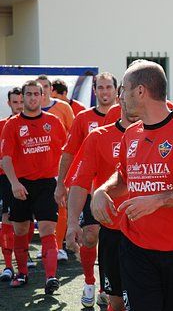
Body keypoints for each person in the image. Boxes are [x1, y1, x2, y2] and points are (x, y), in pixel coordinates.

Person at [92, 60, 173, 310]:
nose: (120, 97)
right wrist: (102, 190)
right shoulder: (132, 134)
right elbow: (125, 177)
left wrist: (159, 200)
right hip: (136, 247)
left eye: (124, 90)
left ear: (140, 91)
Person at [69, 93, 138, 311]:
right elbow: (80, 183)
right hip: (113, 229)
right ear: (121, 98)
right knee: (116, 301)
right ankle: (90, 282)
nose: (136, 99)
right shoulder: (98, 137)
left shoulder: (164, 133)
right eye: (130, 93)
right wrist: (72, 223)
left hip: (151, 233)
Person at [0, 80, 66, 294]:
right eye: (28, 94)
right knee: (20, 230)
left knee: (48, 229)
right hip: (21, 185)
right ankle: (22, 274)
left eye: (36, 94)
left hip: (47, 184)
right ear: (24, 97)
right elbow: (6, 158)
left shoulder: (54, 122)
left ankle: (51, 277)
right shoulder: (12, 125)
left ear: (42, 96)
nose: (32, 98)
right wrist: (14, 183)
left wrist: (63, 183)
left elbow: (66, 153)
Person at [58, 72, 117, 308]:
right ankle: (91, 282)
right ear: (95, 91)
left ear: (116, 90)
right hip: (89, 191)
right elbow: (69, 152)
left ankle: (107, 287)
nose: (104, 92)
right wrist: (61, 183)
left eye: (108, 87)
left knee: (114, 242)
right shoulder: (83, 119)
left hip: (119, 192)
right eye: (100, 88)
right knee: (91, 236)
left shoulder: (130, 118)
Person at [36, 75, 75, 262]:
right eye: (39, 87)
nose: (42, 90)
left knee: (61, 206)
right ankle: (46, 245)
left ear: (51, 89)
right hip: (36, 170)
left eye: (45, 86)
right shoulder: (29, 111)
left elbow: (73, 133)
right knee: (40, 209)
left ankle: (59, 246)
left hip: (59, 166)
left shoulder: (63, 107)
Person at [0, 87, 32, 281]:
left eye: (22, 102)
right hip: (5, 178)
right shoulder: (3, 124)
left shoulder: (37, 123)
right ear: (9, 104)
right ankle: (8, 266)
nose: (19, 106)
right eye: (15, 102)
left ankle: (23, 253)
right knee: (6, 217)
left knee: (25, 219)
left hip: (28, 179)